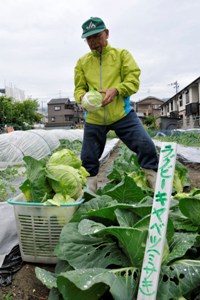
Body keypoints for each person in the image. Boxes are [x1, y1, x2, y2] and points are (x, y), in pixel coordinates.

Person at [74, 17, 158, 191]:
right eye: (89, 39)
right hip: (95, 117)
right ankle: (90, 194)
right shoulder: (82, 62)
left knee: (146, 146)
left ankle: (155, 187)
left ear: (107, 33)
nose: (93, 42)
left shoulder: (121, 55)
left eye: (97, 36)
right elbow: (79, 88)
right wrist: (82, 97)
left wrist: (116, 90)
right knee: (88, 159)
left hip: (122, 114)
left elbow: (132, 81)